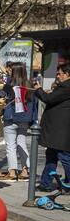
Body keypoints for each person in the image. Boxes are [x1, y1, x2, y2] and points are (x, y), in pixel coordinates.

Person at [0, 63, 37, 181]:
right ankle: (25, 170)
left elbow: (3, 99)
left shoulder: (9, 85)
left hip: (11, 118)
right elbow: (33, 103)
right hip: (24, 118)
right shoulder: (29, 85)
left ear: (13, 72)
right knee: (21, 143)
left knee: (11, 146)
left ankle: (12, 172)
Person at [35, 63, 70, 192]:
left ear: (67, 74)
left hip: (60, 131)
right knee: (51, 156)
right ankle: (45, 183)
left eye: (60, 73)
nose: (58, 75)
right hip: (56, 131)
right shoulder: (63, 87)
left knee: (64, 157)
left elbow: (48, 99)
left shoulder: (66, 86)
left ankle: (67, 184)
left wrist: (39, 89)